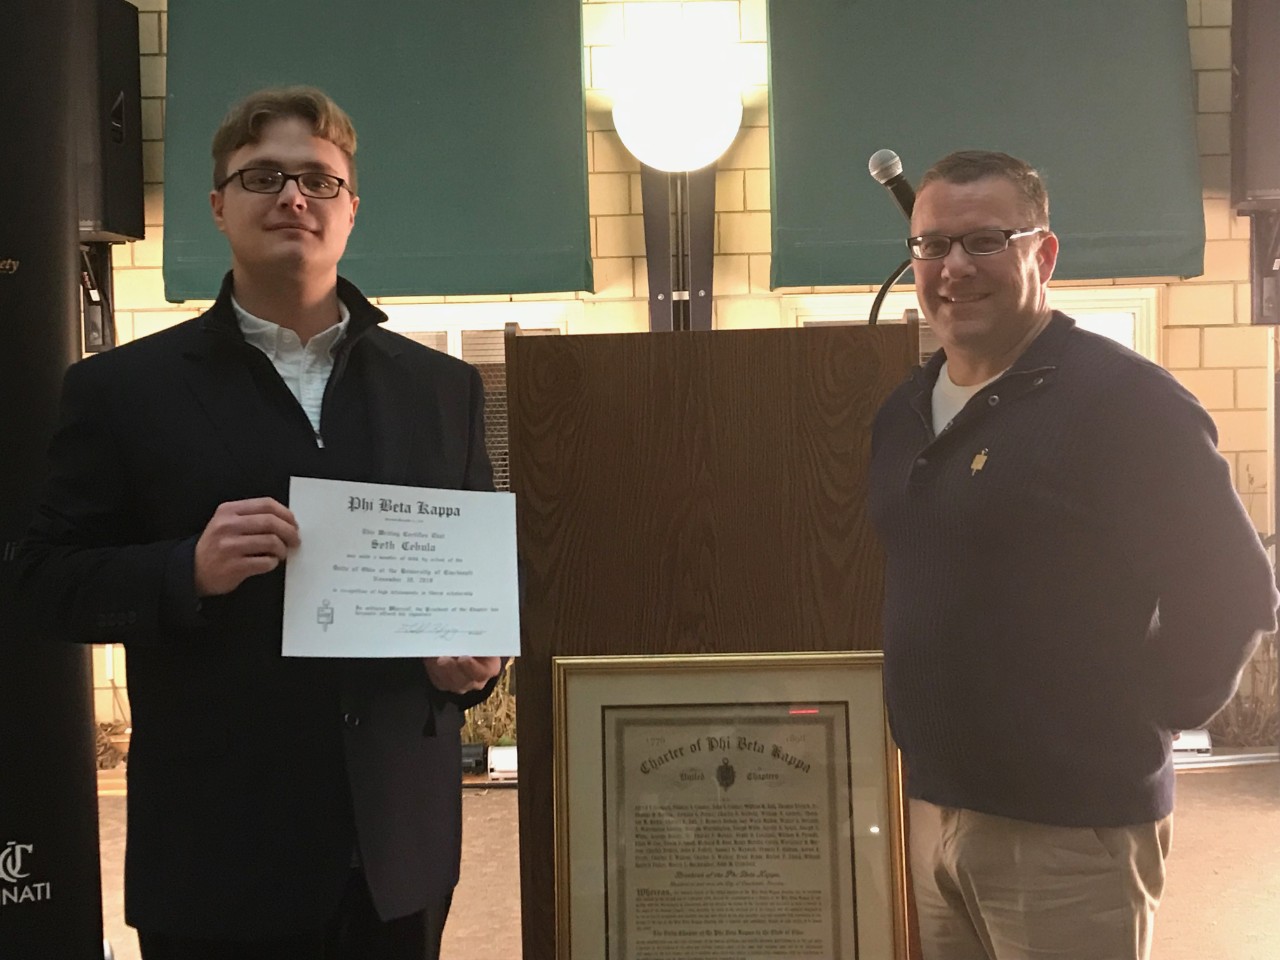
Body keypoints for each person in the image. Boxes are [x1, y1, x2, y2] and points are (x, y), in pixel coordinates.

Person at [17, 86, 504, 959]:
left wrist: (474, 662)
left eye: (320, 180)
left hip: (399, 855)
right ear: (218, 205)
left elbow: (483, 591)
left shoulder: (444, 391)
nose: (294, 198)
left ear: (351, 208)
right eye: (263, 177)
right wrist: (186, 569)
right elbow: (40, 582)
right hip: (216, 858)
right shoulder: (124, 390)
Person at [868, 150, 1278, 960]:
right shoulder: (903, 413)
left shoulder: (1127, 403)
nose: (953, 268)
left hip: (1071, 821)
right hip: (928, 807)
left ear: (1042, 254)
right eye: (931, 246)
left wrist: (1142, 711)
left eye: (984, 242)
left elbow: (1232, 588)